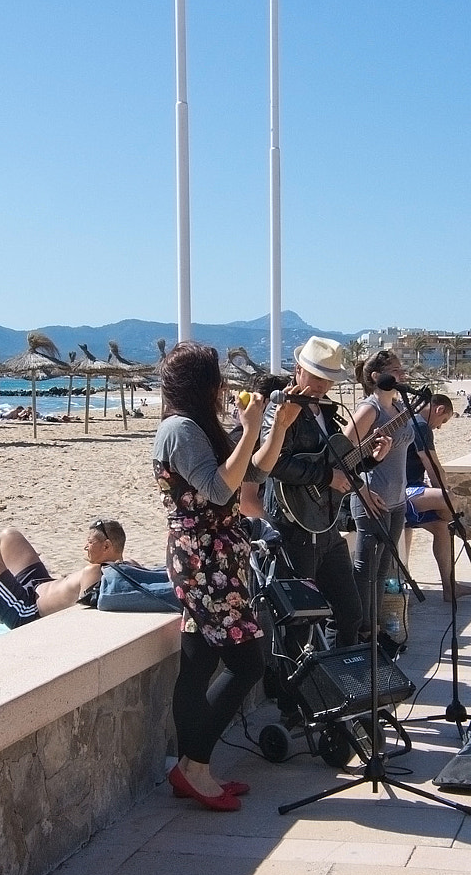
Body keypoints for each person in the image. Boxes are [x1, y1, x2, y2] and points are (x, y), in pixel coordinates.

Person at [153, 341, 301, 811]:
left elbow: (250, 473)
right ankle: (193, 765)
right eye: (216, 378)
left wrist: (273, 429)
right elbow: (219, 491)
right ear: (202, 384)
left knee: (197, 662)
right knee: (246, 664)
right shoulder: (179, 429)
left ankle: (193, 768)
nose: (223, 386)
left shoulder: (195, 426)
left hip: (214, 558)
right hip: (204, 563)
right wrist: (251, 427)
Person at [260, 337, 366, 646]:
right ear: (298, 370)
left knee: (349, 612)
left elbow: (335, 464)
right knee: (300, 621)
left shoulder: (327, 410)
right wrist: (325, 477)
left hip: (326, 525)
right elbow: (274, 463)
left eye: (328, 379)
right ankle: (293, 691)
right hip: (293, 527)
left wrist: (370, 458)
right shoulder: (279, 408)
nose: (322, 385)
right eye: (316, 376)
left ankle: (340, 678)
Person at [0, 518, 128, 635]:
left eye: (90, 542)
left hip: (26, 610)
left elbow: (87, 615)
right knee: (9, 536)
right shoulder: (120, 567)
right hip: (39, 584)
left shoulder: (96, 573)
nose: (85, 547)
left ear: (106, 546)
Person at [348, 350, 410, 643]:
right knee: (366, 569)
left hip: (397, 499)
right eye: (395, 370)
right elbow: (342, 453)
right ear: (377, 377)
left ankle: (374, 629)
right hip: (373, 498)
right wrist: (361, 490)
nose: (402, 374)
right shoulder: (369, 410)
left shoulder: (398, 407)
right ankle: (363, 630)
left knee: (383, 568)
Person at [403, 393, 471, 599]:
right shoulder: (420, 426)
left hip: (409, 490)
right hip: (401, 492)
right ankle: (458, 523)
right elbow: (434, 468)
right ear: (438, 410)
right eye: (443, 421)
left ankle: (449, 587)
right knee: (447, 497)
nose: (439, 426)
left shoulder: (411, 420)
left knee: (441, 528)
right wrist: (448, 503)